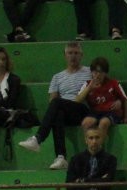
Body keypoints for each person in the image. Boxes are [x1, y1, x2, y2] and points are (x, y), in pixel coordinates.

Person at [19, 42, 91, 171]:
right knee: (57, 114)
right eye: (70, 53)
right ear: (65, 55)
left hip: (82, 110)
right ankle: (61, 157)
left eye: (76, 53)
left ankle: (38, 138)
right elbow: (52, 99)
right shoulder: (57, 77)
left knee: (57, 103)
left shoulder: (89, 72)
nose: (73, 56)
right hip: (66, 111)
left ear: (81, 55)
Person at [76, 57, 127, 138]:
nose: (98, 75)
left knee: (104, 122)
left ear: (105, 73)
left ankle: (98, 147)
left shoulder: (113, 83)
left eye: (101, 72)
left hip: (111, 112)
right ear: (92, 72)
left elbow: (125, 99)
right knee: (86, 122)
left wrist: (126, 117)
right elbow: (77, 100)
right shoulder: (87, 84)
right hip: (95, 113)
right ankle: (90, 146)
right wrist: (89, 88)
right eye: (95, 72)